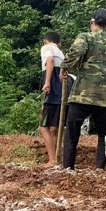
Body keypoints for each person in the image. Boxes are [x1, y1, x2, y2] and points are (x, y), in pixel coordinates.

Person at [60, 9, 106, 170]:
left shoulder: (85, 37)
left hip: (82, 95)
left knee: (72, 133)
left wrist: (65, 67)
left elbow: (77, 51)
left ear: (92, 22)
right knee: (103, 135)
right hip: (105, 98)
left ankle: (68, 168)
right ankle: (99, 167)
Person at [38, 32, 66, 166]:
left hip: (52, 93)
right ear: (59, 42)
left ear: (45, 41)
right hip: (62, 93)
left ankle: (52, 160)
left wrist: (47, 82)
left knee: (44, 127)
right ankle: (57, 157)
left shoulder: (46, 48)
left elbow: (49, 60)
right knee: (55, 127)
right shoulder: (61, 53)